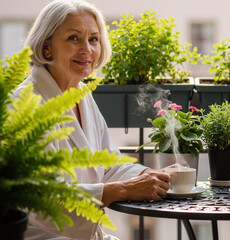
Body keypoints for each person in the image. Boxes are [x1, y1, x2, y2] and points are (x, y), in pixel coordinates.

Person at [12, 0, 171, 239]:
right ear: (47, 48)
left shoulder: (82, 97)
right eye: (73, 38)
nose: (87, 49)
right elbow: (41, 200)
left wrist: (151, 177)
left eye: (94, 39)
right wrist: (123, 189)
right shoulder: (24, 103)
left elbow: (109, 166)